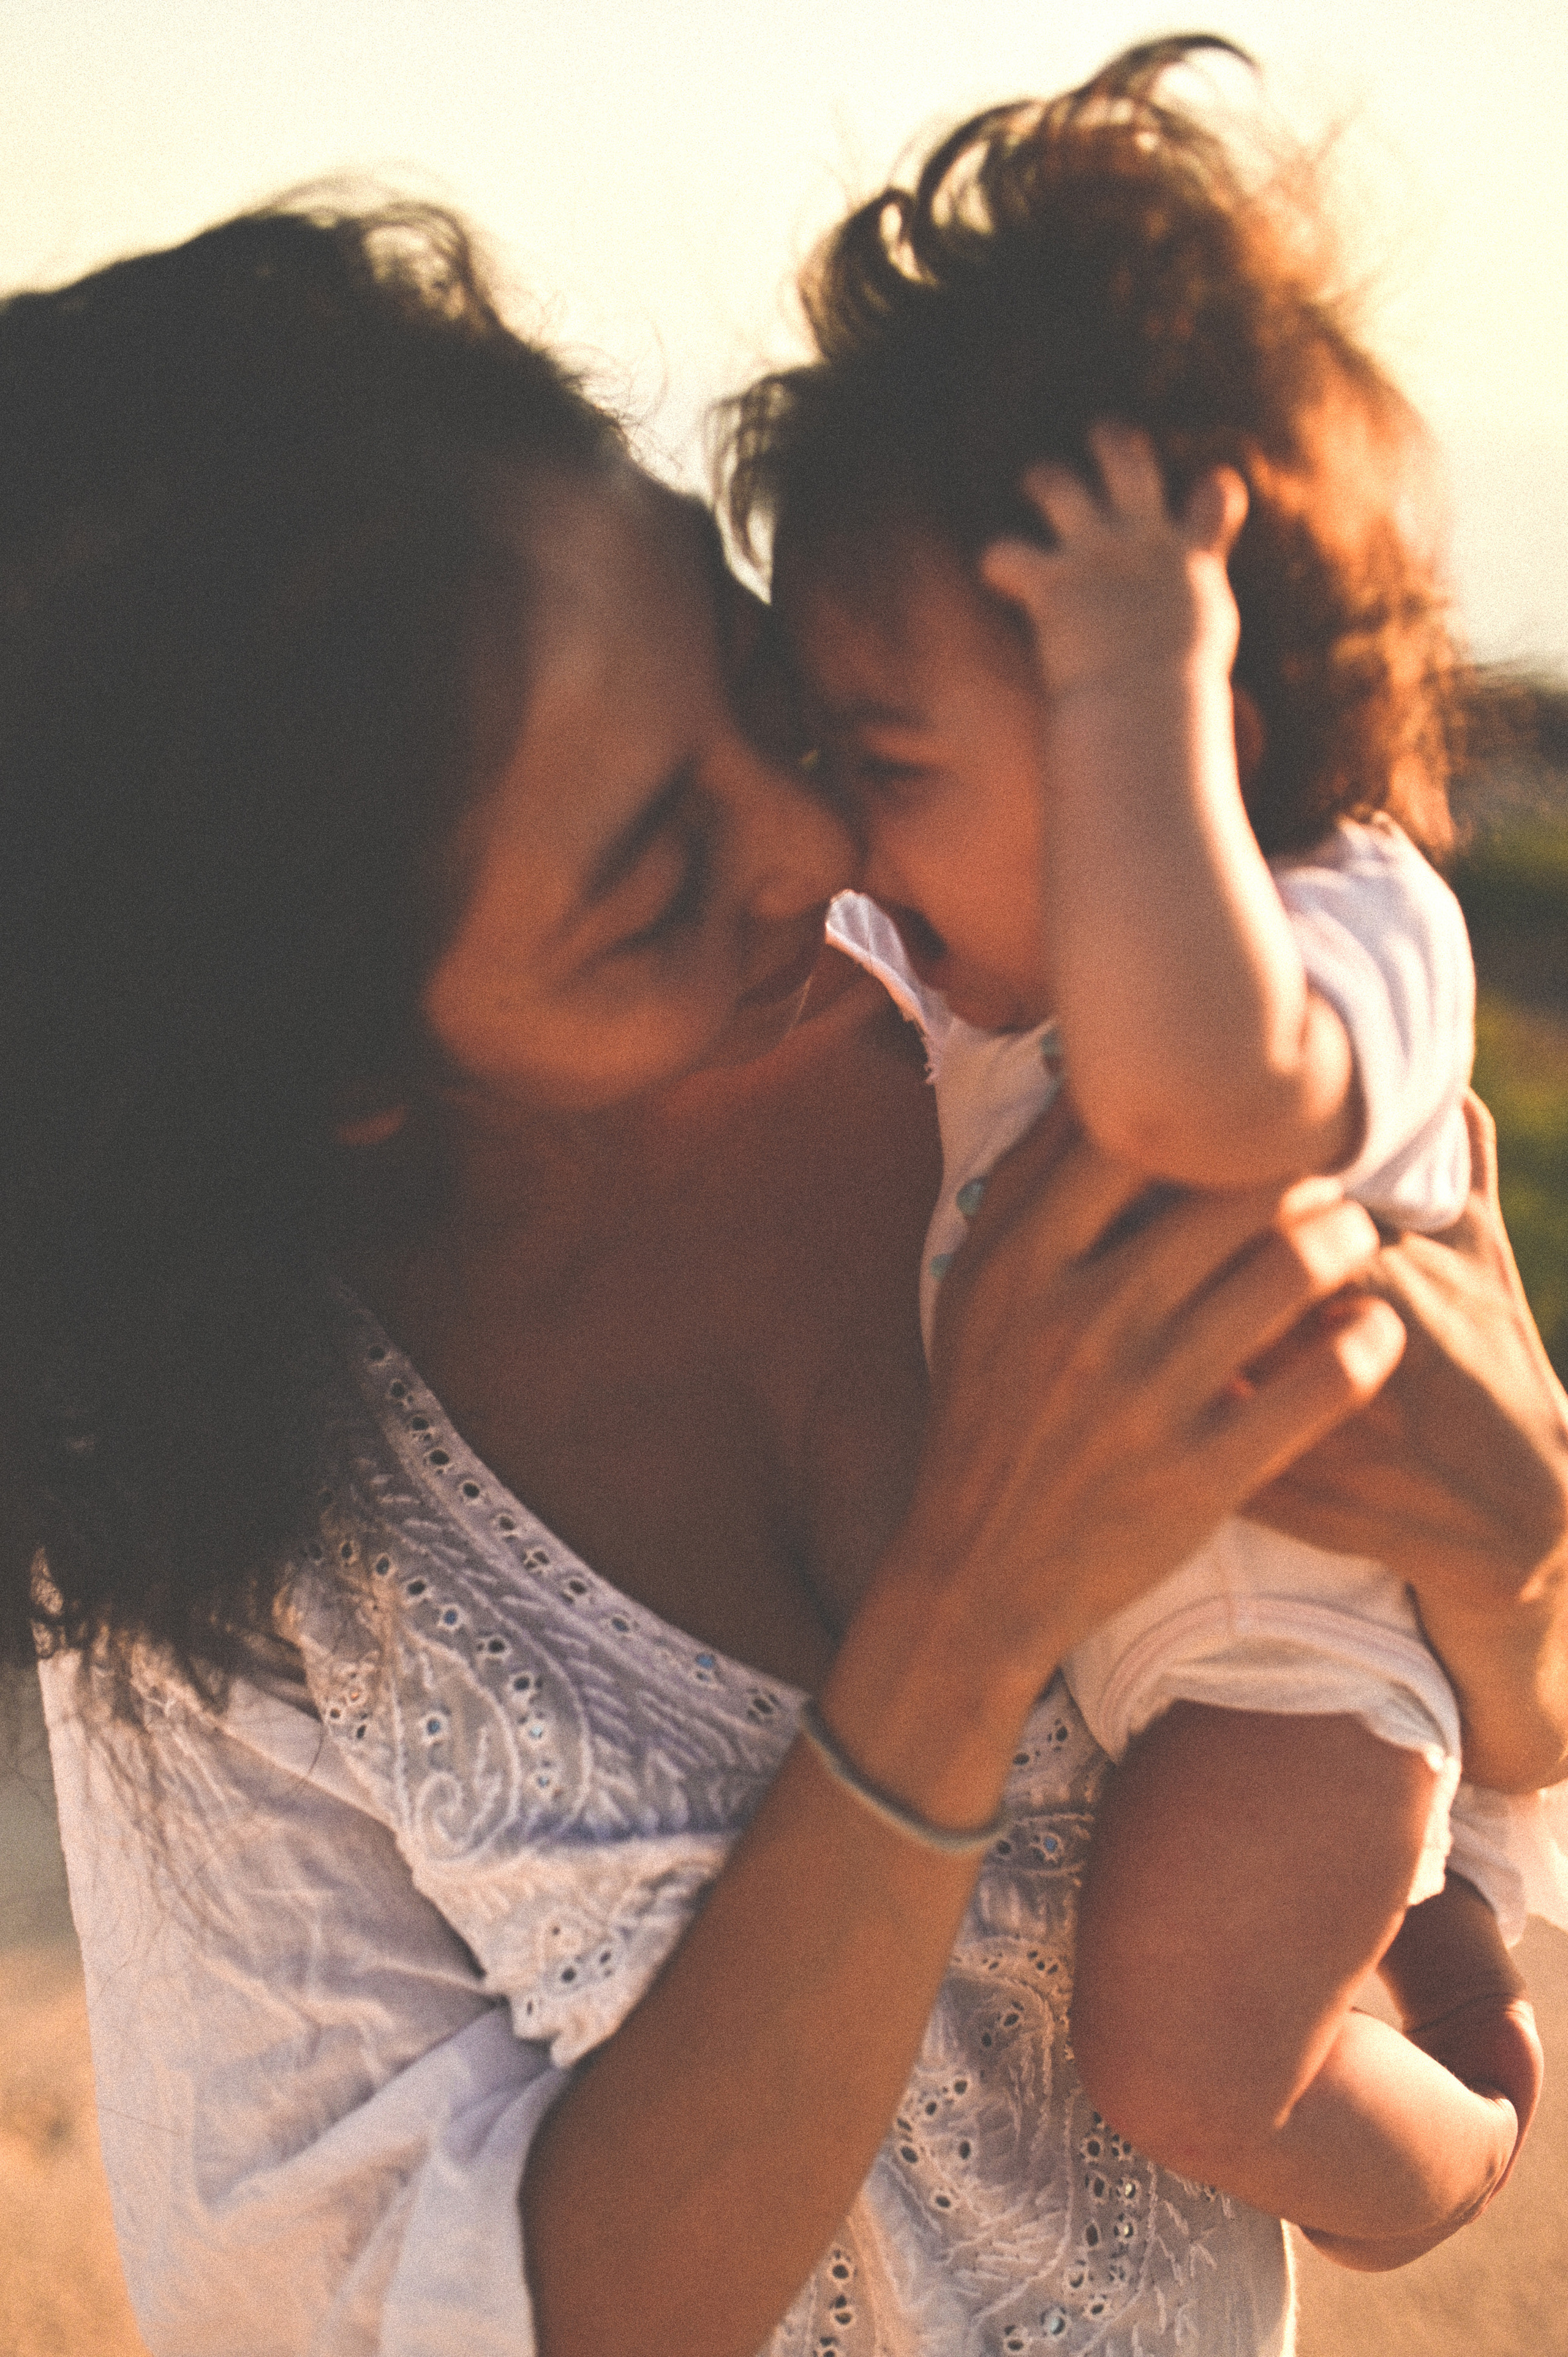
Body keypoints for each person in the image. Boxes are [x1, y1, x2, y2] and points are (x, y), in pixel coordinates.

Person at [1, 195, 1564, 2357]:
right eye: (655, 885)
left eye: (771, 692)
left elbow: (1440, 1702)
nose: (823, 854)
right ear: (343, 1070)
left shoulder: (1066, 999)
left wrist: (1522, 1554)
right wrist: (968, 1612)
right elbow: (383, 2312)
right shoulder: (225, 1515)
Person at [725, 34, 1568, 2266]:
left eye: (891, 762)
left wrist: (1126, 684)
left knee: (1187, 2062)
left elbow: (1198, 1104)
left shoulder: (1345, 923)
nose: (846, 830)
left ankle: (1467, 2126)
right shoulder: (990, 977)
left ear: (1206, 728)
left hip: (1299, 1682)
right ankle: (1441, 1944)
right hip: (1167, 1672)